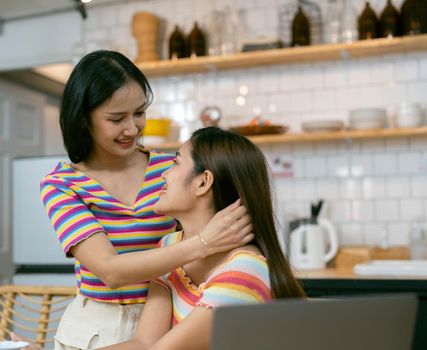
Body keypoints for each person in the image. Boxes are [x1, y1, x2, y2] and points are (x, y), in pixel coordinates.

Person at [35, 51, 253, 350]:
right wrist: (203, 242)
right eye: (116, 118)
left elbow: (227, 230)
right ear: (83, 119)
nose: (132, 129)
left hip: (173, 314)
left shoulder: (171, 172)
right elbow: (110, 271)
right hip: (96, 330)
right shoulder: (62, 184)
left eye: (139, 113)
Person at [93, 127, 306, 350]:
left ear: (203, 182)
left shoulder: (245, 270)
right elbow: (143, 343)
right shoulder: (170, 246)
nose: (164, 174)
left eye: (176, 162)